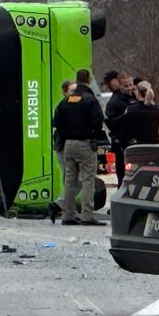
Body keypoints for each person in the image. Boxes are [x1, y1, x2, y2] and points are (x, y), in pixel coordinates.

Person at [52, 69, 105, 226]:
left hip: (68, 144)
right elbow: (97, 121)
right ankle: (87, 214)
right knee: (88, 179)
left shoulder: (67, 100)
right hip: (85, 143)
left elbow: (56, 122)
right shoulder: (90, 100)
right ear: (88, 80)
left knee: (70, 180)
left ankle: (67, 214)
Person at [49, 79, 77, 223]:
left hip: (67, 145)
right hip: (63, 146)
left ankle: (61, 205)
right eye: (72, 90)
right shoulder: (63, 106)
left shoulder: (72, 105)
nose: (75, 93)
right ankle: (63, 207)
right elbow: (56, 123)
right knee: (71, 179)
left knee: (73, 180)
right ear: (65, 92)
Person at [104, 72, 137, 187]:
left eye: (130, 84)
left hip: (137, 140)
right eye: (125, 86)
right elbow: (111, 123)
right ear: (120, 86)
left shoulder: (137, 97)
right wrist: (125, 116)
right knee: (123, 172)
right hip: (122, 141)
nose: (129, 88)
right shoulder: (114, 102)